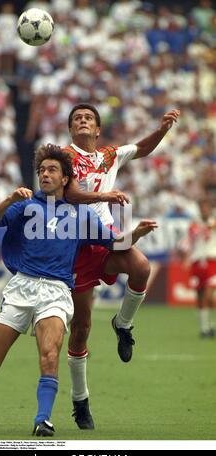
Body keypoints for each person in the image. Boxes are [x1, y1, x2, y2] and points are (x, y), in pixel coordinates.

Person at [0, 143, 157, 437]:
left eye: (52, 170)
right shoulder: (25, 205)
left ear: (65, 178)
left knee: (49, 355)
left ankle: (42, 420)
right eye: (42, 170)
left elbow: (116, 245)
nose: (45, 174)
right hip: (22, 287)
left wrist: (137, 233)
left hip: (58, 291)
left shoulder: (83, 216)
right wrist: (8, 199)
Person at [61, 103, 180, 429]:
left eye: (88, 118)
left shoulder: (109, 156)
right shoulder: (62, 157)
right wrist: (104, 197)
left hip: (105, 238)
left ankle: (123, 324)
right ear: (71, 129)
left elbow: (141, 148)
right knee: (81, 330)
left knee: (142, 267)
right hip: (75, 245)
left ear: (97, 129)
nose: (82, 121)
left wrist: (162, 130)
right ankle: (80, 400)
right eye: (76, 119)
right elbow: (68, 194)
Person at [178, 199, 216, 338]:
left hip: (212, 262)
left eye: (206, 207)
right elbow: (190, 237)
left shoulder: (212, 222)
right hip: (196, 262)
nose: (204, 210)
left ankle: (209, 325)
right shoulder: (195, 224)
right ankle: (205, 328)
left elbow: (211, 227)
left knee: (208, 295)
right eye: (202, 207)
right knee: (200, 296)